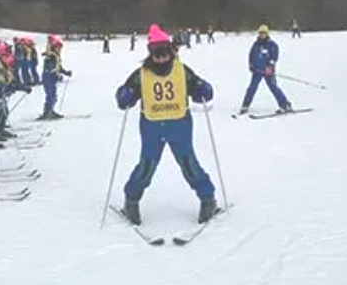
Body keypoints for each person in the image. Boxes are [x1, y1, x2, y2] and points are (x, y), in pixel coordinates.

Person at [115, 24, 219, 226]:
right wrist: (124, 96)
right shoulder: (141, 74)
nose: (161, 58)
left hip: (179, 125)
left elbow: (202, 93)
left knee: (189, 164)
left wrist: (203, 90)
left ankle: (208, 199)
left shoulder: (182, 71)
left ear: (170, 52)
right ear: (150, 53)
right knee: (146, 167)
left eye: (165, 53)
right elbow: (124, 98)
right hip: (152, 127)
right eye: (156, 54)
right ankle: (132, 200)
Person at [239, 25, 293, 115]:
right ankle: (245, 105)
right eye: (260, 33)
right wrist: (251, 64)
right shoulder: (256, 44)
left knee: (273, 87)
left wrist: (270, 67)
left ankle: (285, 104)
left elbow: (274, 57)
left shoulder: (272, 44)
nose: (262, 35)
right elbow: (251, 55)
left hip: (268, 71)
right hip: (257, 71)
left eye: (264, 33)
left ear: (267, 34)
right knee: (252, 88)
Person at [37, 35, 72, 120]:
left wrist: (66, 72)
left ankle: (51, 110)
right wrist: (55, 73)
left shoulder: (56, 55)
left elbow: (58, 67)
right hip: (48, 77)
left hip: (52, 78)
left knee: (54, 96)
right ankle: (47, 112)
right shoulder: (51, 56)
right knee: (50, 95)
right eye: (58, 47)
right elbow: (50, 68)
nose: (60, 49)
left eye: (60, 48)